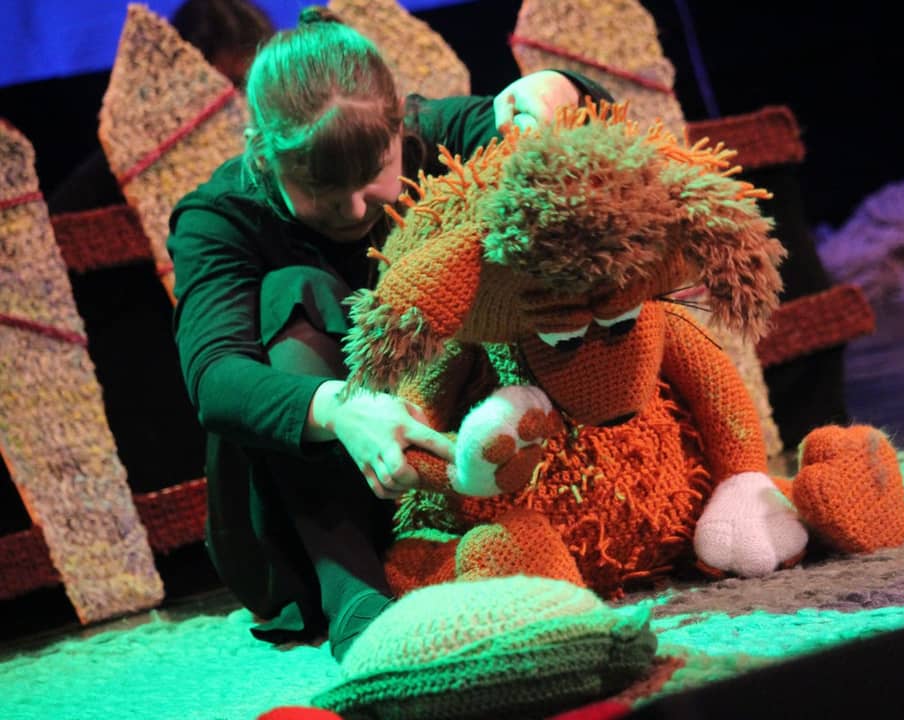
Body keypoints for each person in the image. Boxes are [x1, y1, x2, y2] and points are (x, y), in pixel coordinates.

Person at [166, 6, 612, 662]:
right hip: (301, 523)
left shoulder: (435, 139)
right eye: (322, 189)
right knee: (295, 287)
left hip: (447, 474)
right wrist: (342, 411)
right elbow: (216, 378)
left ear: (400, 123)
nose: (353, 211)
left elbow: (599, 129)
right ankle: (359, 603)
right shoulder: (221, 216)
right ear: (263, 153)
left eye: (371, 177)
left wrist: (559, 91)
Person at [47, 0, 275, 213]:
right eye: (228, 90)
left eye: (255, 87)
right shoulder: (135, 162)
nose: (242, 107)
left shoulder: (279, 155)